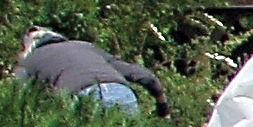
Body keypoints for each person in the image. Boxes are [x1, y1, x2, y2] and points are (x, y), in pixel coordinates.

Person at [13, 26, 165, 115]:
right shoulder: (85, 46)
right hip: (120, 91)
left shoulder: (31, 60)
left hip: (82, 96)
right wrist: (162, 107)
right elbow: (142, 75)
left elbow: (16, 94)